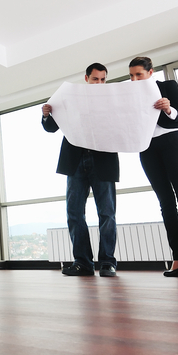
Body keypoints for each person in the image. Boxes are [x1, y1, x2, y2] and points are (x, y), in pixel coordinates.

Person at [129, 56, 178, 278]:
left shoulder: (167, 86)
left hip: (172, 142)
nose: (134, 79)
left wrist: (168, 108)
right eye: (131, 75)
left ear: (150, 73)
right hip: (147, 147)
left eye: (138, 74)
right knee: (165, 202)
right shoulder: (129, 96)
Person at [41, 63, 118, 277]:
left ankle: (107, 263)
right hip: (75, 160)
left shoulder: (113, 100)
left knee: (107, 213)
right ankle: (82, 263)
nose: (99, 83)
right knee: (74, 213)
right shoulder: (70, 97)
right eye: (95, 79)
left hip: (103, 160)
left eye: (103, 79)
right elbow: (51, 127)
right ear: (86, 78)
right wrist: (47, 114)